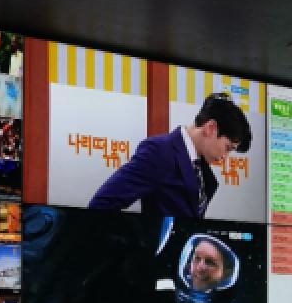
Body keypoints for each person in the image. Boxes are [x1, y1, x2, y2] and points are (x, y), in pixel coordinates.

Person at [88, 92, 251, 218]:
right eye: (227, 148)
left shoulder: (201, 167)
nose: (225, 157)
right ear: (210, 128)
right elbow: (102, 204)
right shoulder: (159, 152)